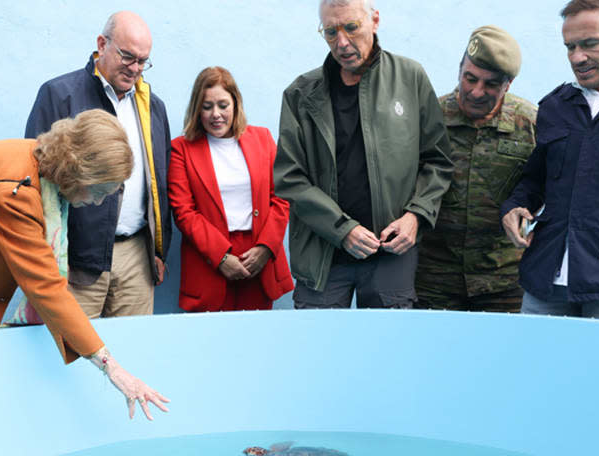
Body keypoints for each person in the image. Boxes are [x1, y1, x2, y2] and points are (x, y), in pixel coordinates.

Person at [0, 110, 169, 419]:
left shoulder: (38, 161)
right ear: (80, 172)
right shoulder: (15, 188)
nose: (97, 203)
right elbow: (45, 285)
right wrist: (113, 368)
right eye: (100, 191)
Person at [274, 0, 453, 309]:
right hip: (322, 257)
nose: (341, 42)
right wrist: (342, 230)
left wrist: (416, 216)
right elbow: (290, 178)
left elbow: (437, 161)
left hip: (390, 255)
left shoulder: (410, 78)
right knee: (318, 351)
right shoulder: (300, 94)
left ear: (375, 20)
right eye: (330, 32)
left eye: (351, 27)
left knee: (387, 352)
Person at [25, 11, 171, 319]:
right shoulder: (59, 95)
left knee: (132, 353)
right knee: (72, 352)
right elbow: (34, 178)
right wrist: (48, 261)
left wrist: (158, 249)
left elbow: (160, 180)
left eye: (143, 61)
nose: (135, 69)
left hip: (136, 258)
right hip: (76, 258)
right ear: (102, 44)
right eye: (128, 57)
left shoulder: (153, 106)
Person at [501, 0, 599, 321]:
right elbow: (536, 178)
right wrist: (516, 206)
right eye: (570, 46)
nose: (577, 57)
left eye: (589, 44)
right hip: (546, 282)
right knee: (533, 368)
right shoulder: (555, 106)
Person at [416, 26, 537, 313]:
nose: (476, 91)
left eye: (491, 84)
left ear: (508, 84)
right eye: (469, 78)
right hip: (433, 280)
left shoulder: (531, 124)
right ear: (459, 69)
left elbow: (549, 185)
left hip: (504, 281)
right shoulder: (428, 118)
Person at [168, 67, 294, 311]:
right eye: (207, 107)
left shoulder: (262, 139)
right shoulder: (181, 149)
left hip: (258, 257)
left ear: (236, 104)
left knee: (257, 340)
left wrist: (266, 248)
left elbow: (281, 198)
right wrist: (221, 257)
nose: (216, 114)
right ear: (197, 109)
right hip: (210, 261)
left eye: (223, 105)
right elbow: (184, 212)